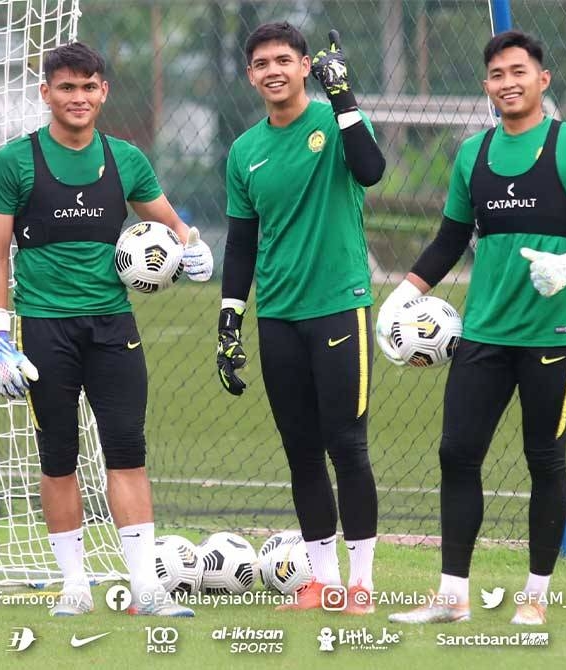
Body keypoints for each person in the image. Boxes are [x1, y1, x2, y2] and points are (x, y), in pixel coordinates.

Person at [382, 30, 566, 625]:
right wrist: (399, 298)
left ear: (542, 80)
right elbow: (449, 240)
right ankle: (451, 597)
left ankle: (536, 597)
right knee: (456, 455)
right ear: (486, 87)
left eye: (519, 72)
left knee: (544, 459)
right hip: (483, 333)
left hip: (551, 336)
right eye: (497, 75)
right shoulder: (472, 154)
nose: (508, 83)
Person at [0, 41, 212, 617]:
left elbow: (173, 226)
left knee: (127, 453)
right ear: (47, 94)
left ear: (104, 92)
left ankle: (146, 589)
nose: (78, 97)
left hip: (113, 327)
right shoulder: (13, 162)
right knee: (57, 457)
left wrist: (195, 247)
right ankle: (74, 586)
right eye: (66, 87)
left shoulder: (125, 159)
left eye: (89, 87)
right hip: (43, 331)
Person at [217, 22, 386, 614]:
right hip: (279, 318)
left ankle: (361, 584)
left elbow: (371, 169)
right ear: (250, 75)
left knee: (348, 447)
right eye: (261, 63)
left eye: (283, 60)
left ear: (306, 65)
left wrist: (344, 96)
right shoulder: (244, 152)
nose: (272, 70)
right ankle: (321, 581)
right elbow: (241, 244)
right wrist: (230, 317)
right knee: (301, 452)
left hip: (339, 306)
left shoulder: (333, 125)